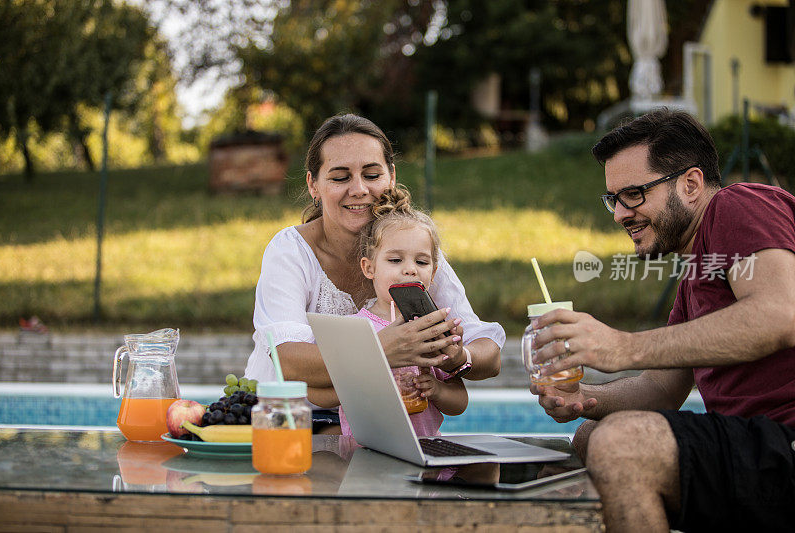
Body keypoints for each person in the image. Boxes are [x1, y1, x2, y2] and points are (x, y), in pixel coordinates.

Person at [530, 109, 795, 532]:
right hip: (758, 449)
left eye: (634, 193)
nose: (619, 213)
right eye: (612, 199)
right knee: (586, 437)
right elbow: (661, 387)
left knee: (621, 444)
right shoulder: (697, 275)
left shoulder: (736, 204)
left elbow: (781, 313)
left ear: (690, 184)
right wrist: (582, 396)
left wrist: (622, 346)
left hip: (783, 443)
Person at [245, 113, 504, 433]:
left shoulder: (412, 258)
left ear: (391, 177)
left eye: (371, 174)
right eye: (340, 177)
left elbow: (488, 354)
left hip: (376, 426)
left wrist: (456, 356)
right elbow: (289, 360)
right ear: (314, 184)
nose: (359, 189)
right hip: (289, 419)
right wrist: (383, 350)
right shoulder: (290, 251)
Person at [339, 187, 468, 437]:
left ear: (433, 271)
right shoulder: (353, 329)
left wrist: (438, 391)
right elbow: (334, 392)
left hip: (425, 451)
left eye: (421, 262)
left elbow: (460, 401)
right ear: (369, 267)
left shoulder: (435, 328)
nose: (410, 269)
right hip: (366, 454)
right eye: (395, 260)